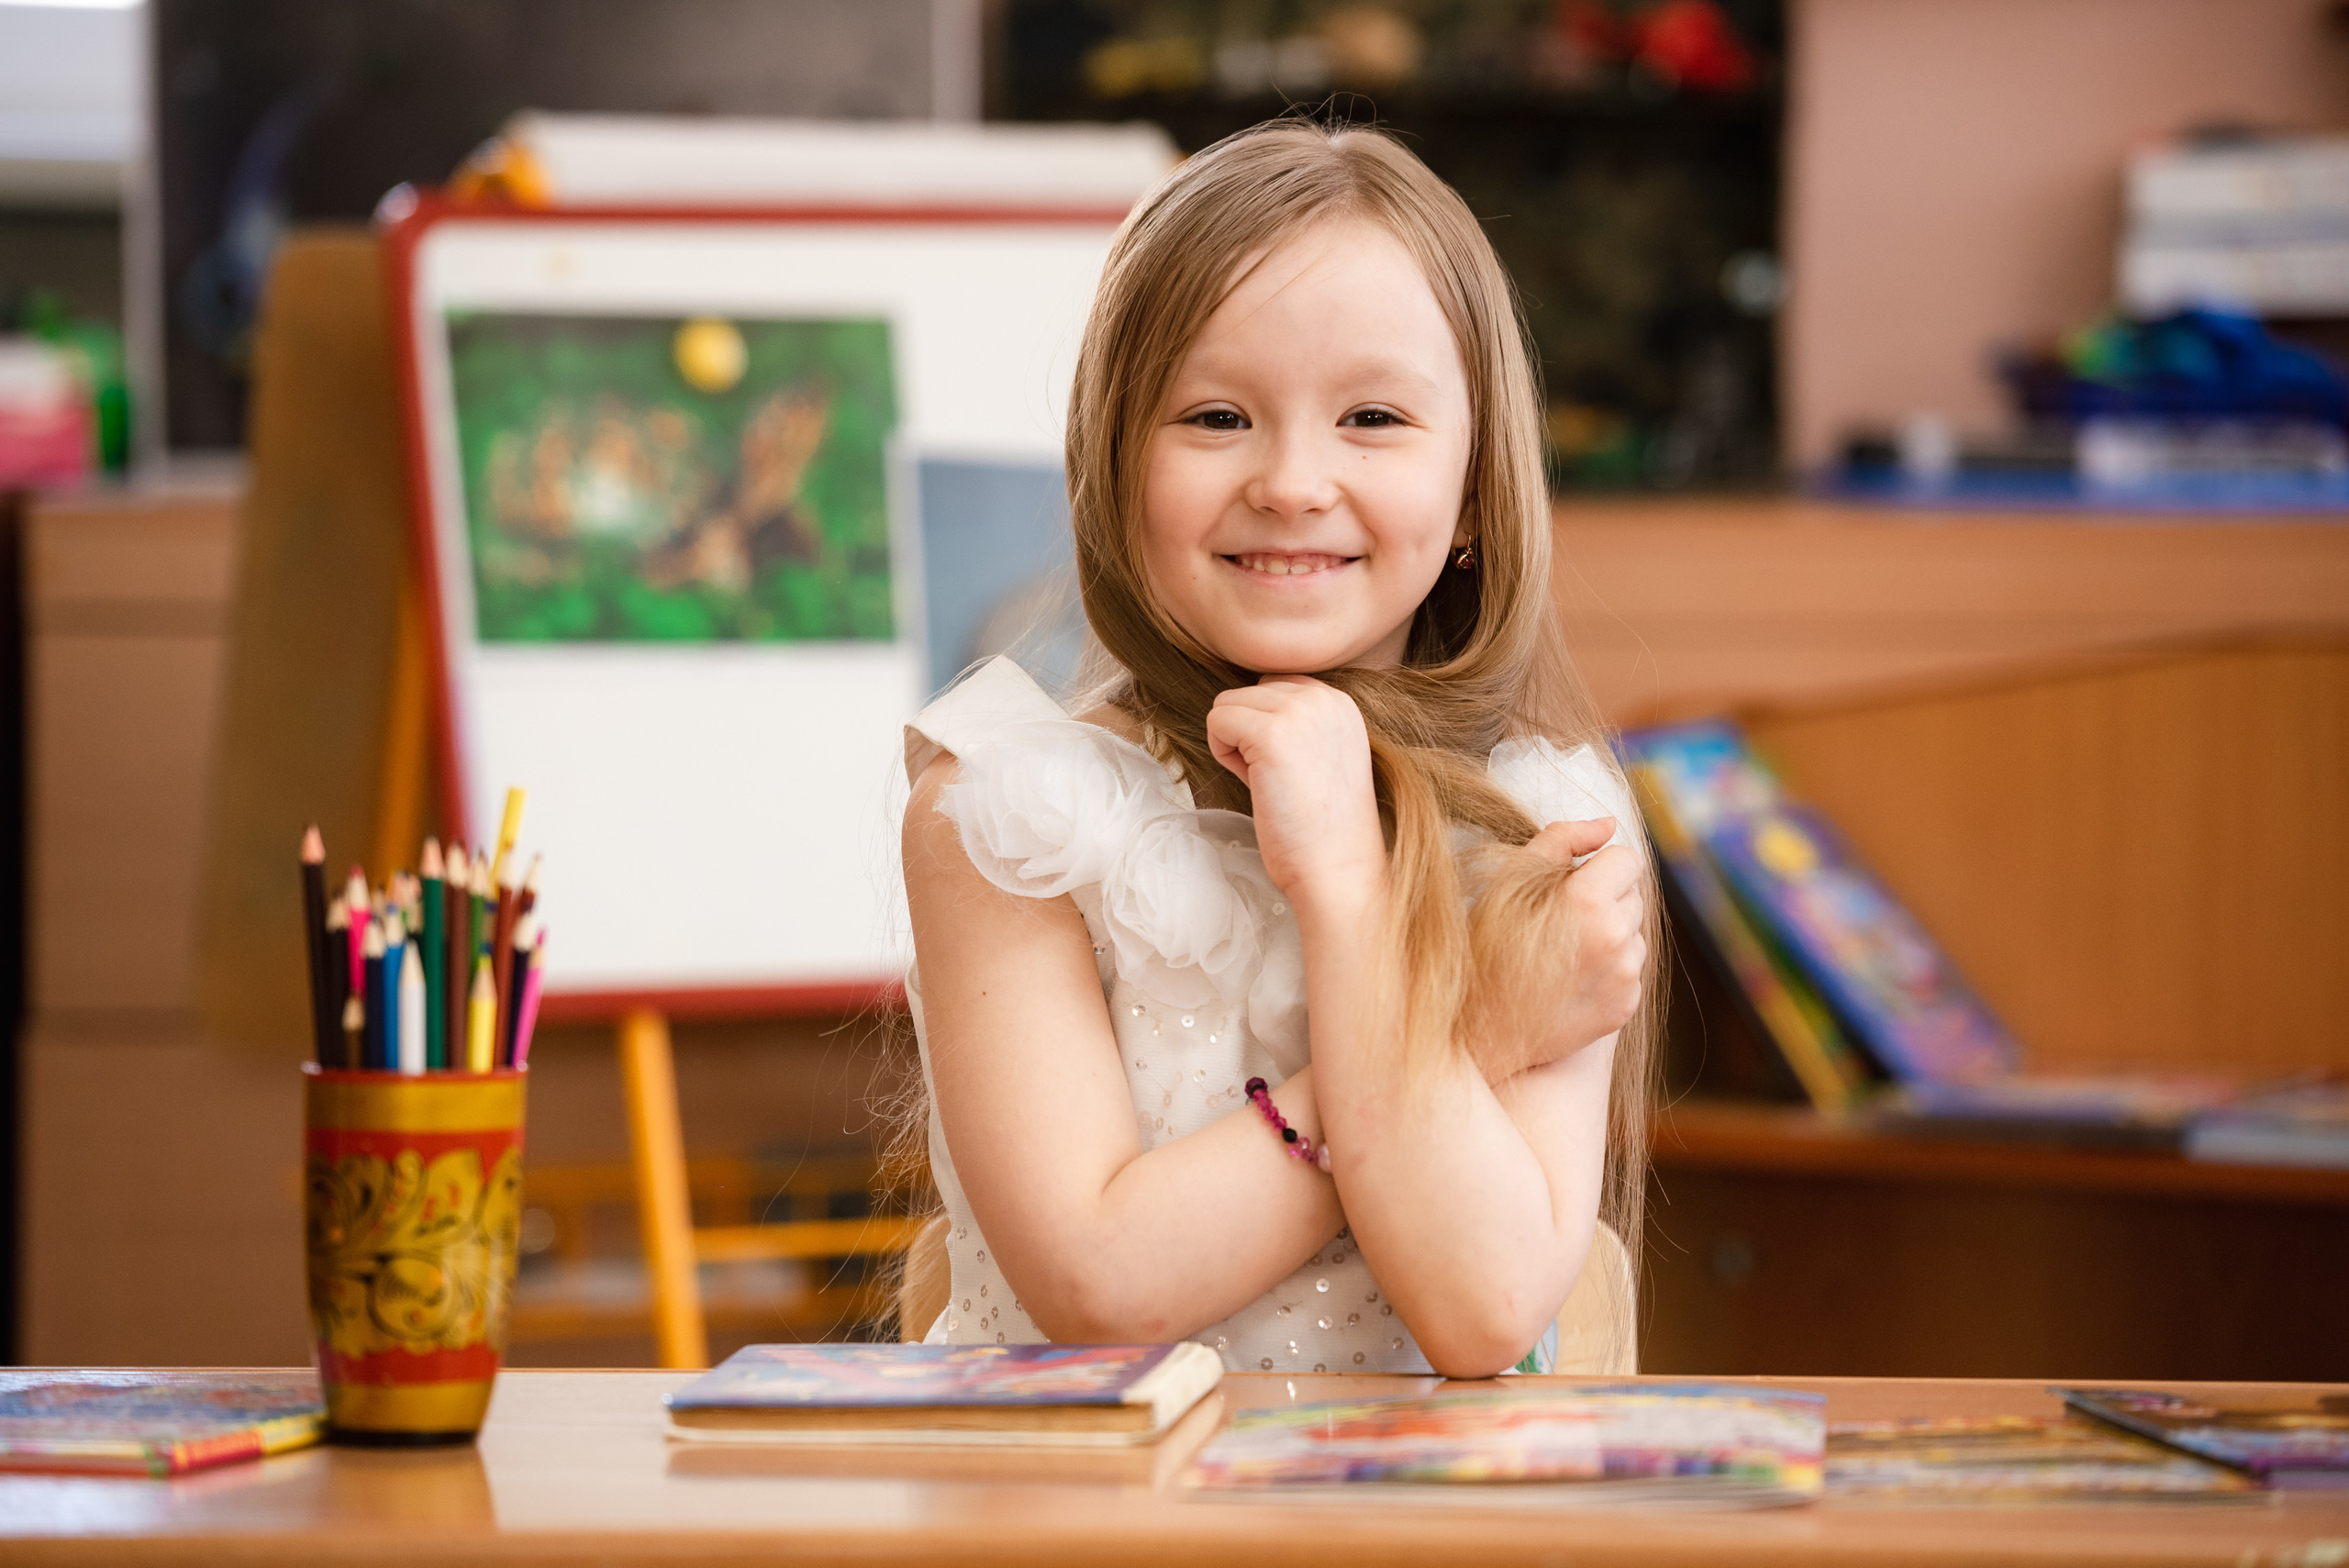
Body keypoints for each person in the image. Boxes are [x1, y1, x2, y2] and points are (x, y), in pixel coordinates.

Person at [898, 118, 1656, 1379]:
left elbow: (1483, 1313)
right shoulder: (1008, 811)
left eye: (1371, 415)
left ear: (1473, 488)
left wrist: (1350, 886)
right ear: (1114, 460)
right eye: (1214, 416)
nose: (1295, 480)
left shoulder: (1540, 824)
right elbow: (1099, 1282)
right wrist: (1463, 1036)